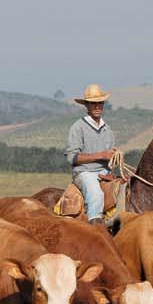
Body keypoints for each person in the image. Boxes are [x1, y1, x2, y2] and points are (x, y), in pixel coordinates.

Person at [65, 84, 117, 224]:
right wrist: (100, 155)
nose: (97, 107)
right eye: (93, 103)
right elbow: (72, 158)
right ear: (86, 105)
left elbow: (110, 158)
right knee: (96, 195)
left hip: (104, 172)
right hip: (84, 173)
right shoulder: (78, 127)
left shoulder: (108, 130)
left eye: (100, 103)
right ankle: (95, 228)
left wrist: (113, 161)